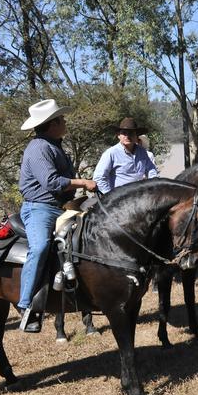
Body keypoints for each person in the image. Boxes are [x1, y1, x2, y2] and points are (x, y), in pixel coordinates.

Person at [18, 99, 97, 332]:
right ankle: (26, 304)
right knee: (40, 247)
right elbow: (51, 182)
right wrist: (83, 182)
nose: (65, 122)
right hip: (40, 208)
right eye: (61, 119)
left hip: (62, 206)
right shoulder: (39, 148)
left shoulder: (54, 145)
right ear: (52, 123)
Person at [93, 117, 159, 194]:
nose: (127, 136)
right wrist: (109, 196)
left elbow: (151, 170)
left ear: (136, 135)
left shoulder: (142, 152)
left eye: (131, 133)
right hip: (120, 197)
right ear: (118, 135)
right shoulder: (111, 153)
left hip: (140, 195)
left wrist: (155, 184)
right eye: (124, 133)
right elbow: (99, 178)